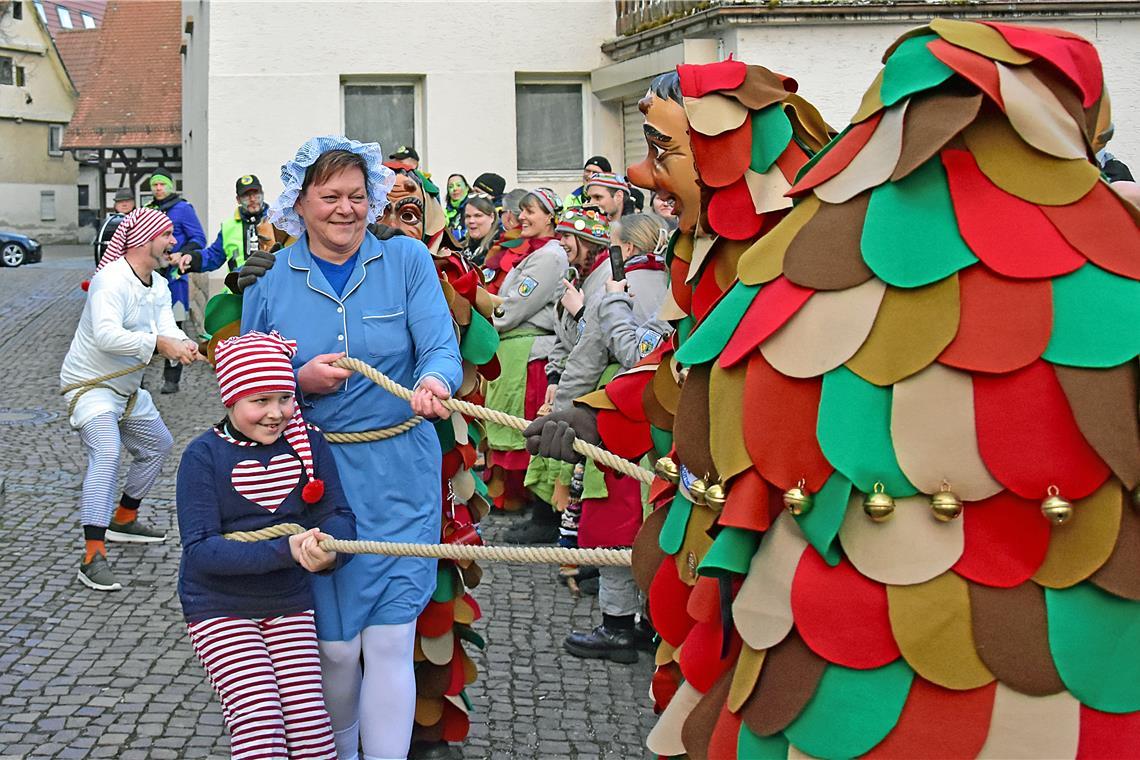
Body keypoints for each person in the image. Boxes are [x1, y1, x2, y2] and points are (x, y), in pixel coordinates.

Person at [240, 135, 462, 760]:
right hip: (311, 477)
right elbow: (244, 379)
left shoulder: (408, 263)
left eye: (358, 197)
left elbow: (440, 346)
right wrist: (296, 379)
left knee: (391, 640)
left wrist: (434, 381)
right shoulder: (274, 279)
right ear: (298, 204)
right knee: (335, 651)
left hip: (401, 475)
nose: (346, 209)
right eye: (330, 196)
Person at [177, 330, 356, 760]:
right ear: (230, 399)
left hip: (288, 600)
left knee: (311, 727)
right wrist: (286, 550)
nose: (275, 413)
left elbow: (339, 516)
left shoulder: (307, 443)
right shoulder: (202, 457)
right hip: (219, 604)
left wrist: (333, 550)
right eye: (260, 401)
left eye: (284, 398)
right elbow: (201, 549)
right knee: (260, 723)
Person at [61, 208, 200, 592]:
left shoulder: (156, 283)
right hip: (90, 387)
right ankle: (92, 555)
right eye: (168, 235)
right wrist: (158, 343)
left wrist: (192, 348)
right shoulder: (110, 280)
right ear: (146, 238)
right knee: (106, 452)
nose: (174, 242)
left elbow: (168, 328)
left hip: (126, 391)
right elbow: (107, 336)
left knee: (158, 445)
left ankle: (124, 518)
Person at [561, 213, 670, 662]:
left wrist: (562, 409)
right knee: (653, 519)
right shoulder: (673, 282)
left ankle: (617, 624)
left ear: (624, 250)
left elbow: (593, 354)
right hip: (663, 423)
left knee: (614, 523)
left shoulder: (615, 287)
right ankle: (651, 622)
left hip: (620, 415)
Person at [512, 206, 612, 544]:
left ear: (586, 241)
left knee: (581, 467)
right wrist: (554, 378)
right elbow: (560, 335)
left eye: (568, 237)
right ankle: (546, 520)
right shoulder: (575, 275)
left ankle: (576, 540)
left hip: (593, 382)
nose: (562, 242)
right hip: (569, 375)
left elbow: (600, 339)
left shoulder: (604, 280)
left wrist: (581, 312)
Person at [483, 188, 568, 515]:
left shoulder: (548, 256)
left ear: (550, 216)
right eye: (521, 211)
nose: (522, 217)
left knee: (530, 433)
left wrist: (483, 316)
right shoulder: (537, 254)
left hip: (532, 355)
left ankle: (542, 512)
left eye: (530, 211)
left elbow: (516, 305)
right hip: (520, 350)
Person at [146, 169, 207, 394]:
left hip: (174, 281)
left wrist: (181, 253)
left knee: (173, 328)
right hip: (150, 280)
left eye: (162, 184)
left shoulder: (183, 209)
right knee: (145, 327)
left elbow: (198, 239)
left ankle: (171, 379)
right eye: (155, 185)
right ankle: (139, 380)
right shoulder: (149, 210)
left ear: (170, 186)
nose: (158, 188)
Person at [193, 175, 280, 292]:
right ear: (238, 200)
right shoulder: (228, 227)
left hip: (273, 289)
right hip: (238, 292)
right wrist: (191, 258)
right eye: (246, 196)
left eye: (256, 194)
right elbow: (213, 257)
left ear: (262, 193)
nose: (252, 199)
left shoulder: (278, 221)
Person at [92, 187, 137, 266]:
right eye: (120, 202)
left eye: (127, 201)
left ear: (133, 203)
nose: (124, 204)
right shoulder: (107, 223)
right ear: (115, 205)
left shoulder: (140, 220)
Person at [461, 194, 500, 267]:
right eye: (468, 216)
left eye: (478, 216)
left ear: (492, 217)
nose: (471, 221)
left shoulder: (498, 248)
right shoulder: (461, 246)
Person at [444, 173, 469, 241]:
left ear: (467, 188)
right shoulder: (446, 211)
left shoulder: (472, 208)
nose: (454, 189)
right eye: (451, 186)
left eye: (458, 185)